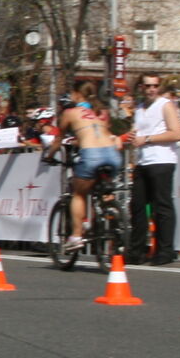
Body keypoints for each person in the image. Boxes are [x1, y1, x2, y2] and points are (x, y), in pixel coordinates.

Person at [48, 83, 121, 253]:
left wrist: (49, 156)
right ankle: (107, 218)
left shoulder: (69, 113)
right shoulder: (102, 112)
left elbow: (58, 141)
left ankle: (76, 236)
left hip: (91, 155)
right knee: (103, 191)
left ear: (75, 94)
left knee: (79, 194)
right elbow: (97, 134)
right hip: (112, 154)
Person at [123, 73, 180, 265]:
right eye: (147, 86)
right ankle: (137, 251)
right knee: (137, 205)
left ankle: (165, 252)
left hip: (162, 160)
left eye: (155, 86)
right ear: (141, 87)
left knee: (162, 206)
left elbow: (177, 133)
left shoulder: (165, 105)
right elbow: (137, 132)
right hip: (143, 161)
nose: (151, 89)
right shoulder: (140, 108)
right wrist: (130, 138)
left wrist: (147, 139)